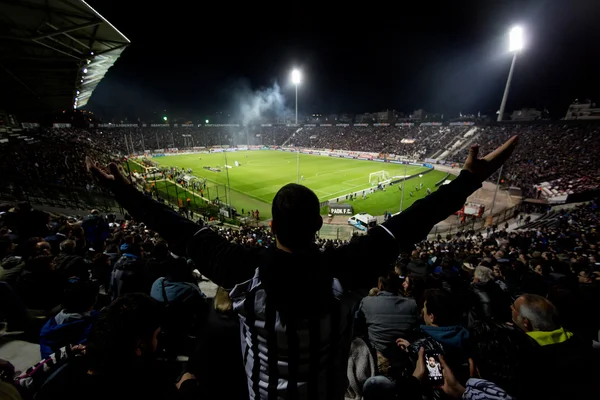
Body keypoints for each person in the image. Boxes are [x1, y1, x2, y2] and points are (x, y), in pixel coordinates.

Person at [86, 136, 517, 400]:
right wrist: (466, 180)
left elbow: (176, 230)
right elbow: (412, 223)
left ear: (271, 226)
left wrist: (127, 194)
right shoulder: (349, 270)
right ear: (319, 225)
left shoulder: (239, 269)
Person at [36, 294, 198, 400]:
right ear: (139, 344)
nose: (157, 341)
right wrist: (187, 388)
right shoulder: (148, 386)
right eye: (156, 335)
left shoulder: (63, 376)